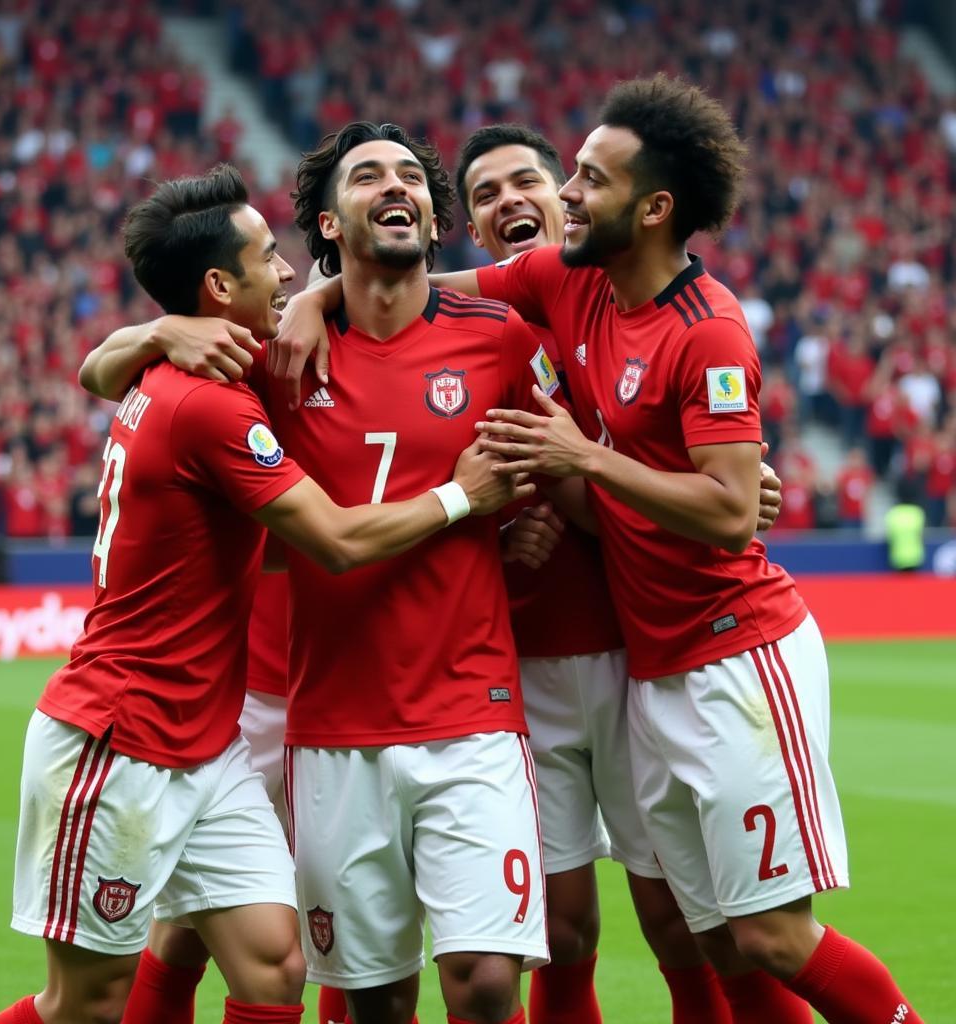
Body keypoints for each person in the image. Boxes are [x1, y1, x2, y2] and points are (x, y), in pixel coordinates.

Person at [283, 78, 924, 1024]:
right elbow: (418, 284)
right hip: (599, 665)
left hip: (707, 647)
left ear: (644, 205)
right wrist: (316, 294)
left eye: (570, 179)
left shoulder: (700, 328)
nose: (554, 199)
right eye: (493, 188)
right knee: (671, 931)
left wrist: (619, 471)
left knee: (738, 935)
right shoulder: (560, 287)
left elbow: (726, 506)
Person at [0, 163, 527, 1024]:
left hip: (209, 744)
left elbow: (100, 370)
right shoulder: (212, 404)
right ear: (217, 285)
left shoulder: (195, 371)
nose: (286, 275)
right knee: (84, 1004)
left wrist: (154, 332)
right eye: (267, 258)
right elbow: (338, 541)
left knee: (276, 967)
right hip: (123, 734)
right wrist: (467, 498)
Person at [455, 122, 779, 1024]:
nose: (514, 200)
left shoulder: (602, 293)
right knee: (557, 929)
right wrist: (507, 525)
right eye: (485, 195)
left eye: (530, 179)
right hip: (521, 667)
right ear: (474, 231)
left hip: (641, 652)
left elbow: (685, 461)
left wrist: (733, 486)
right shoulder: (459, 338)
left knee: (686, 923)